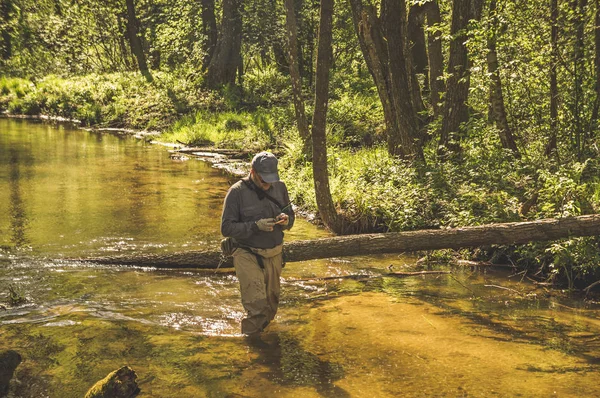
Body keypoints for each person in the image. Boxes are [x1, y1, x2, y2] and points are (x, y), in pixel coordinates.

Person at [221, 151, 295, 336]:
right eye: (264, 180)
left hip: (274, 252)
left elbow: (291, 215)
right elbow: (226, 228)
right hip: (247, 252)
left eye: (271, 180)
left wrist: (287, 220)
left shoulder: (280, 187)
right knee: (257, 307)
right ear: (252, 172)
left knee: (271, 306)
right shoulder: (236, 192)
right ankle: (252, 354)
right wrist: (255, 226)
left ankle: (264, 342)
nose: (268, 184)